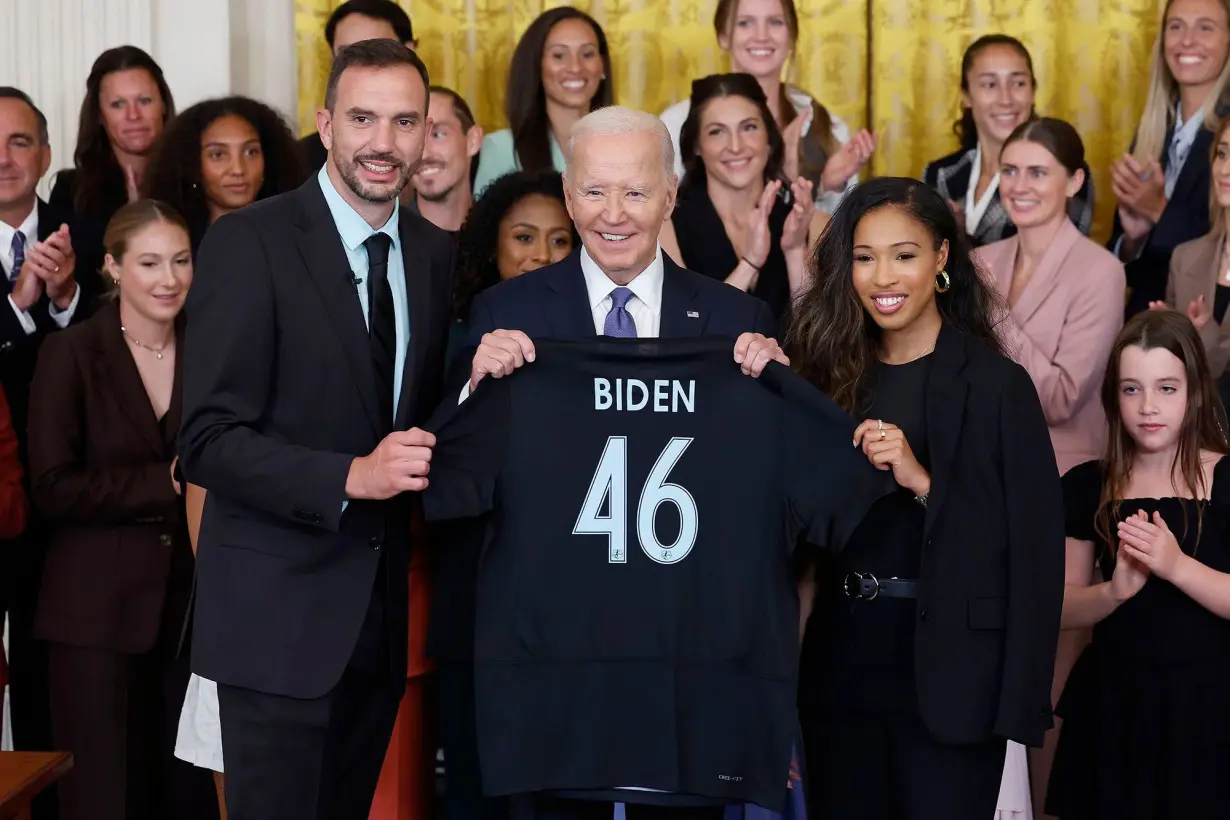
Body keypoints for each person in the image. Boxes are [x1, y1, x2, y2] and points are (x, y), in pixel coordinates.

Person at [442, 105, 788, 820]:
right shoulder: (502, 314)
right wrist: (474, 387)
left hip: (686, 652)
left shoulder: (735, 322)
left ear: (669, 196)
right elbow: (452, 479)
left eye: (635, 192)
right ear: (569, 196)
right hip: (552, 650)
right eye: (595, 192)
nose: (614, 215)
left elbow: (768, 497)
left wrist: (776, 395)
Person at [179, 39, 454, 820]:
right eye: (363, 118)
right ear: (326, 123)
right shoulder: (249, 241)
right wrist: (346, 477)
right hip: (272, 626)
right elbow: (206, 438)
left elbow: (417, 424)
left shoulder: (433, 256)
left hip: (375, 631)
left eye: (406, 122)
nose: (383, 143)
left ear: (427, 133)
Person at [787, 177, 1065, 820]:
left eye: (904, 254)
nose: (883, 275)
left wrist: (922, 481)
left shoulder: (998, 386)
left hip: (955, 681)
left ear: (941, 258)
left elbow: (1032, 550)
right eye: (863, 256)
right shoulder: (826, 375)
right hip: (840, 671)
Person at [27, 199, 215, 820]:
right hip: (94, 620)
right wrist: (165, 482)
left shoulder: (213, 352)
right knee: (105, 799)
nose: (170, 279)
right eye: (151, 262)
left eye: (182, 261)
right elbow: (52, 487)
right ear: (112, 268)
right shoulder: (72, 353)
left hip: (193, 615)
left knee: (188, 796)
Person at [1046, 309, 1230, 818]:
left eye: (1166, 388)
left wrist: (1175, 567)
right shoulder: (1089, 485)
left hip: (1208, 708)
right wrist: (1113, 593)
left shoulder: (1225, 479)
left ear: (1194, 391)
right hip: (1115, 704)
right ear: (1113, 397)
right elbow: (1058, 605)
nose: (1149, 406)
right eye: (1132, 390)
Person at [0, 87, 96, 795]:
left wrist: (66, 301)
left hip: (66, 498)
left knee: (48, 672)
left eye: (19, 141)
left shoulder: (87, 236)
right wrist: (17, 310)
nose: (3, 160)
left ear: (47, 153)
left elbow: (118, 360)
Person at [977, 118, 1126, 474]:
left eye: (1038, 173)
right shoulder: (979, 262)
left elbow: (1060, 401)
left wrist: (994, 313)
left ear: (1074, 181)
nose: (1019, 186)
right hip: (978, 460)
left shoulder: (1101, 272)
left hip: (1060, 471)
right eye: (1010, 170)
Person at [659, 0, 875, 212]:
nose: (761, 36)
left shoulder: (830, 129)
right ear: (723, 36)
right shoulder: (675, 125)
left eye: (775, 22)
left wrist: (828, 186)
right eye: (745, 23)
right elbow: (666, 224)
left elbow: (839, 238)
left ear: (792, 36)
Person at [659, 74, 827, 323]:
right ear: (696, 145)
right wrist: (749, 265)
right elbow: (685, 329)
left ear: (769, 139)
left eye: (749, 127)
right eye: (717, 132)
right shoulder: (665, 226)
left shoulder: (815, 225)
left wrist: (794, 252)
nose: (736, 146)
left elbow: (818, 341)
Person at [1111, 0, 1230, 316]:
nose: (1187, 40)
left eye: (1205, 27)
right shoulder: (1151, 129)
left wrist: (1159, 211)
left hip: (1210, 330)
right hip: (1144, 324)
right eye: (1176, 26)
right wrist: (1134, 240)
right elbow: (1128, 271)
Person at [922, 35, 1094, 248]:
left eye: (1018, 83)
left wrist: (959, 239)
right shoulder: (939, 174)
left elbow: (1057, 262)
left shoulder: (1063, 171)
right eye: (990, 84)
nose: (1005, 99)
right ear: (966, 95)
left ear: (1033, 91)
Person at [50, 46, 175, 287]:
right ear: (99, 115)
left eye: (144, 101)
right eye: (118, 104)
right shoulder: (71, 191)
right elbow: (70, 289)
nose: (133, 115)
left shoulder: (194, 181)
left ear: (164, 105)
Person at [472, 7, 613, 195]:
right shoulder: (501, 149)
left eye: (587, 54)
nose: (575, 67)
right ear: (536, 66)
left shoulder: (627, 145)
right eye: (559, 56)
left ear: (602, 66)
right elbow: (484, 223)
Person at [143, 95, 308, 255]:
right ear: (192, 165)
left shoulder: (300, 240)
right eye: (218, 155)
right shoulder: (171, 245)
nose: (238, 169)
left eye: (251, 152)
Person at [448, 170, 577, 362]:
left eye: (559, 241)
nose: (542, 255)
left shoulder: (590, 323)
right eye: (524, 237)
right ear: (492, 245)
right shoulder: (459, 331)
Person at [1151, 113, 1230, 407]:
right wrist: (1168, 334)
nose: (1225, 169)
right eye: (1222, 154)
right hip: (1190, 436)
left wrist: (1200, 334)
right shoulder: (1185, 257)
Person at [301, 0, 418, 171]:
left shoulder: (444, 150)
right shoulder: (301, 160)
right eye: (347, 54)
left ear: (410, 51)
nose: (361, 66)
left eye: (376, 51)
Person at [410, 86, 482, 231]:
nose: (424, 154)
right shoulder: (385, 242)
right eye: (413, 137)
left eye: (438, 135)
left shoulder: (501, 236)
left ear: (472, 141)